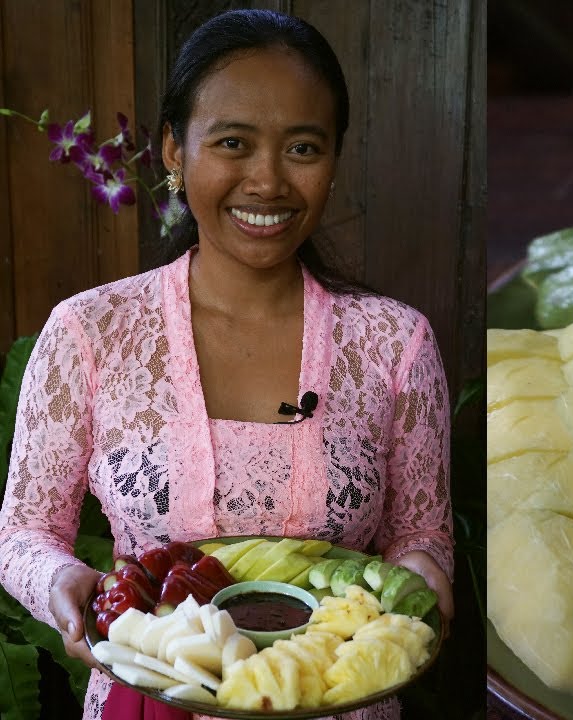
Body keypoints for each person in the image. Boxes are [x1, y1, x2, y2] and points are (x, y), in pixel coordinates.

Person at [0, 9, 453, 720]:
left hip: (340, 700)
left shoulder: (396, 344)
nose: (268, 181)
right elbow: (24, 532)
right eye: (234, 142)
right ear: (175, 152)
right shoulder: (90, 332)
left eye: (304, 148)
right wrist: (62, 583)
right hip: (148, 695)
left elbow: (421, 535)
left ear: (336, 158)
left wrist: (425, 577)